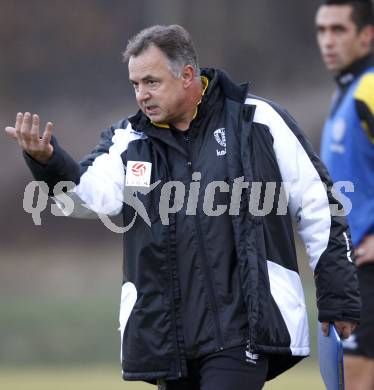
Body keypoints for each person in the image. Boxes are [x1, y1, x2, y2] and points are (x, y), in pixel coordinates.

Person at [5, 25, 360, 390]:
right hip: (169, 342)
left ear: (188, 75)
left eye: (151, 82)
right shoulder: (129, 140)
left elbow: (319, 205)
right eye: (135, 85)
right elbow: (87, 197)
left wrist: (338, 294)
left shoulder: (256, 120)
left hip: (243, 333)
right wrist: (47, 161)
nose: (141, 95)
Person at [315, 0, 374, 388]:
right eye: (321, 30)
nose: (327, 41)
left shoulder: (369, 87)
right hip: (350, 272)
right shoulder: (347, 92)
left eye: (339, 30)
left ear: (367, 36)